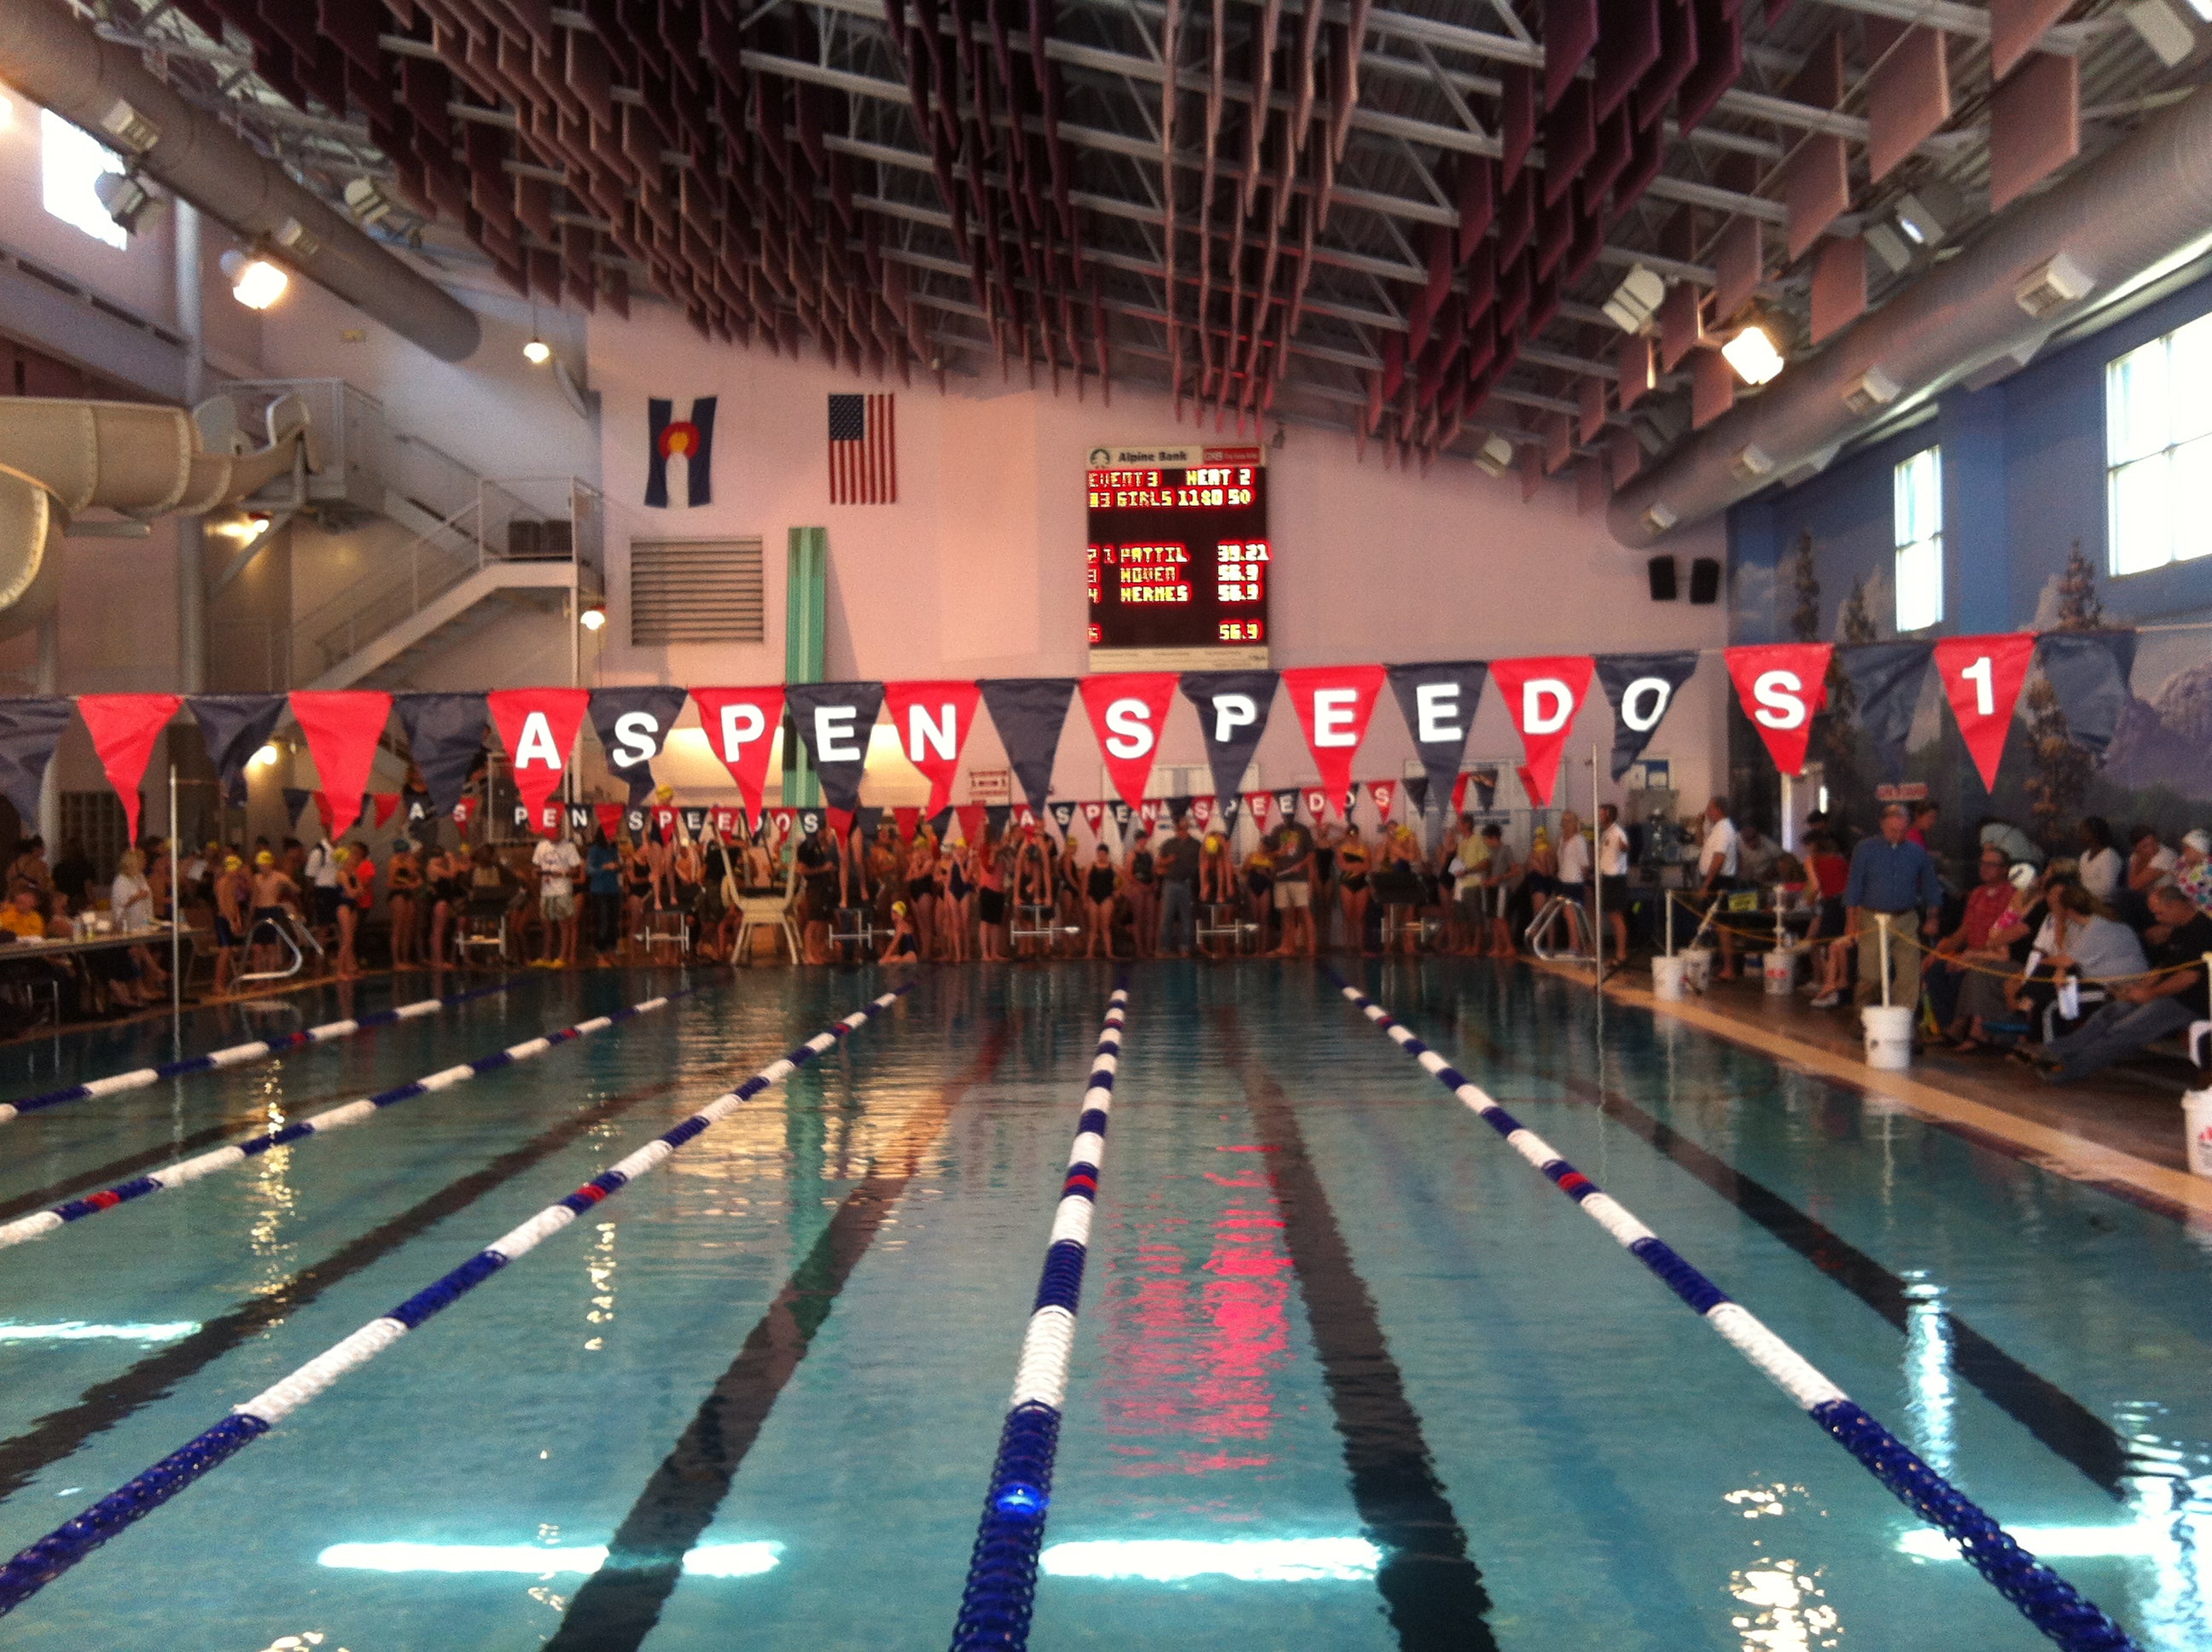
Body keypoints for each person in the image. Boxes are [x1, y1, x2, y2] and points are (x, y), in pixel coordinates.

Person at [2029, 882, 2212, 1082]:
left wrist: (2151, 993)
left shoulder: (2202, 931)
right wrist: (2141, 987)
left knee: (2123, 1030)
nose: (2157, 919)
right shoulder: (2179, 929)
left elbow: (2189, 976)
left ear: (2176, 905)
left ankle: (2067, 1070)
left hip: (2188, 1002)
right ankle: (2054, 1051)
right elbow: (2164, 967)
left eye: (2160, 914)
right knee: (2106, 1015)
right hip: (2166, 994)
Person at [1826, 804, 1941, 1011]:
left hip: (1906, 917)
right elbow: (1854, 886)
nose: (1898, 835)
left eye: (1902, 831)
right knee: (1871, 974)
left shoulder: (1916, 852)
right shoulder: (1865, 849)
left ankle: (1903, 1021)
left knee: (1909, 974)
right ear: (1882, 825)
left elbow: (1931, 887)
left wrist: (1933, 917)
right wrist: (1851, 922)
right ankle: (1863, 1015)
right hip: (1872, 916)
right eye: (1893, 831)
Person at [1930, 844, 2020, 1049]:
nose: (1985, 868)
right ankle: (1948, 1027)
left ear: (2005, 869)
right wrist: (1939, 952)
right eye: (1983, 863)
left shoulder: (2013, 896)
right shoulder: (1977, 893)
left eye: (1992, 864)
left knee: (1966, 974)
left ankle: (1967, 1028)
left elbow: (2006, 942)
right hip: (1970, 952)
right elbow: (1965, 929)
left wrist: (1974, 956)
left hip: (1994, 954)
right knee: (1937, 970)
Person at [1697, 797, 1743, 979]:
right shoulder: (1717, 829)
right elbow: (1701, 845)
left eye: (1710, 808)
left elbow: (1719, 858)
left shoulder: (1724, 829)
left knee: (1723, 926)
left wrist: (1707, 884)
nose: (1707, 812)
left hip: (1720, 881)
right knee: (1715, 925)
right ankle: (1721, 964)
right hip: (1714, 879)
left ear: (1719, 809)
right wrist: (1698, 826)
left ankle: (1729, 968)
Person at [533, 829, 584, 967]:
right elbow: (536, 866)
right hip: (546, 890)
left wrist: (562, 874)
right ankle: (547, 955)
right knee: (546, 924)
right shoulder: (542, 846)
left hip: (562, 890)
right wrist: (537, 872)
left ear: (559, 832)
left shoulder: (569, 847)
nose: (551, 835)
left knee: (564, 924)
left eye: (554, 832)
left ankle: (562, 956)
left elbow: (576, 869)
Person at [1270, 809, 1317, 958]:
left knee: (1305, 912)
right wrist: (1279, 853)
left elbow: (1312, 853)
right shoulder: (1277, 831)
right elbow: (1269, 853)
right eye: (1285, 816)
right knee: (1286, 914)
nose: (1288, 819)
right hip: (1282, 877)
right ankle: (1287, 946)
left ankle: (1311, 948)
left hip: (1299, 877)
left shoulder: (1303, 830)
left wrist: (1302, 864)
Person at [1155, 815, 1200, 957]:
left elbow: (1203, 864)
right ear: (1175, 829)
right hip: (1170, 882)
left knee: (1186, 917)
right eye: (1179, 828)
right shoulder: (1168, 844)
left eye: (1183, 828)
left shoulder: (1196, 845)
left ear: (1187, 828)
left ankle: (1185, 947)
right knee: (1166, 917)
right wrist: (1168, 860)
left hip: (1186, 882)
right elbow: (1158, 864)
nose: (1181, 830)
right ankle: (1165, 948)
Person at [1597, 803, 1632, 963]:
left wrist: (1624, 847)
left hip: (1616, 878)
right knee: (1612, 915)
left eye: (1601, 814)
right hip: (1606, 877)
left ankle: (1621, 954)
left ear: (1609, 815)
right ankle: (1618, 952)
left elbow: (1625, 848)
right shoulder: (1606, 833)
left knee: (1616, 915)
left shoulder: (1618, 833)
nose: (1599, 816)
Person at [212, 853, 249, 995]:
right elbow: (222, 905)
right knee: (225, 951)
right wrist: (231, 921)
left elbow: (234, 903)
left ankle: (223, 982)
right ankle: (218, 984)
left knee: (227, 953)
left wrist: (238, 919)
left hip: (231, 919)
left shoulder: (233, 882)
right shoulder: (222, 882)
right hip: (223, 920)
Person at [1556, 809, 1591, 955]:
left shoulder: (1579, 840)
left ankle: (1575, 946)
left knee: (1572, 916)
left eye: (1569, 821)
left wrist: (1585, 882)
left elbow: (1585, 865)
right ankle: (1574, 944)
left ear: (1575, 823)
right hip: (1563, 880)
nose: (1566, 824)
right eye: (1564, 821)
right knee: (1567, 915)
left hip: (1575, 882)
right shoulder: (1561, 840)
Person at [1480, 823, 1518, 956]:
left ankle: (1509, 947)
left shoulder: (1505, 850)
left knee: (1501, 918)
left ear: (1494, 837)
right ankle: (1497, 946)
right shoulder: (1490, 852)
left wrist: (1500, 878)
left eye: (1487, 839)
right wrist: (1486, 880)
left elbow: (1515, 870)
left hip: (1501, 888)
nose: (1486, 842)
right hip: (1491, 888)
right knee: (1494, 919)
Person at [386, 839, 422, 969]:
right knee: (398, 928)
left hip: (407, 894)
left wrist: (415, 881)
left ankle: (405, 959)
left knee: (408, 928)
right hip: (398, 896)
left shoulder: (407, 862)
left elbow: (418, 878)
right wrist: (408, 886)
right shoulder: (394, 863)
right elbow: (390, 884)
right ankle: (396, 961)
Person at [1121, 827, 1157, 960]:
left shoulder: (1149, 854)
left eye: (1144, 839)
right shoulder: (1132, 854)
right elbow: (1128, 874)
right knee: (1138, 919)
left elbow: (1152, 871)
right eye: (1141, 839)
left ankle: (1148, 948)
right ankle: (1139, 949)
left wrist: (1154, 883)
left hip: (1148, 887)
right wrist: (1140, 885)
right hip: (1138, 888)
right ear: (1137, 840)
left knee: (1150, 919)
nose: (1143, 841)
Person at [1082, 843, 1121, 959]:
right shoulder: (1091, 866)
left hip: (1107, 898)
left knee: (1105, 927)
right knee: (1093, 927)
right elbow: (1085, 883)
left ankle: (1109, 952)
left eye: (1104, 855)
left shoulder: (1112, 866)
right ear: (1097, 854)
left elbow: (1123, 878)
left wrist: (1118, 890)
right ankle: (1089, 953)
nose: (1101, 857)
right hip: (1093, 897)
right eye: (1099, 854)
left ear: (1107, 855)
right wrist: (1085, 899)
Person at [880, 899, 919, 963]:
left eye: (895, 912)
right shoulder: (903, 924)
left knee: (885, 961)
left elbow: (894, 943)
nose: (893, 915)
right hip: (910, 956)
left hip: (910, 956)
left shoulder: (901, 925)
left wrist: (885, 957)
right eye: (892, 912)